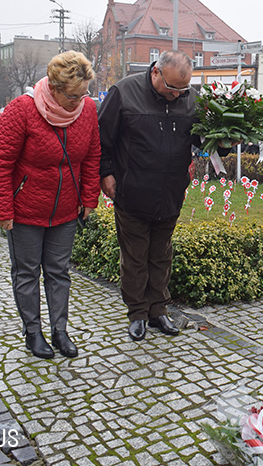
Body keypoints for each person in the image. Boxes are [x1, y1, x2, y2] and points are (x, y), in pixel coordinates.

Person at [98, 50, 230, 342]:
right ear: (155, 72)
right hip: (132, 191)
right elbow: (101, 138)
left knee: (161, 255)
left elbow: (203, 140)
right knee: (134, 256)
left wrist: (226, 137)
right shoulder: (124, 92)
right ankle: (137, 314)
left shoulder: (189, 99)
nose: (176, 95)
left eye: (182, 90)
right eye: (172, 89)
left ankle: (158, 310)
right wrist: (105, 172)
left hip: (170, 192)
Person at [0, 51, 100, 359]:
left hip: (65, 210)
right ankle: (33, 332)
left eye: (84, 94)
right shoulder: (22, 110)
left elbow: (92, 156)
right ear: (53, 87)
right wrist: (3, 210)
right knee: (26, 273)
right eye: (73, 95)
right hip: (25, 211)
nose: (79, 101)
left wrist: (89, 197)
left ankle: (60, 331)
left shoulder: (87, 110)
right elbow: (0, 163)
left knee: (59, 272)